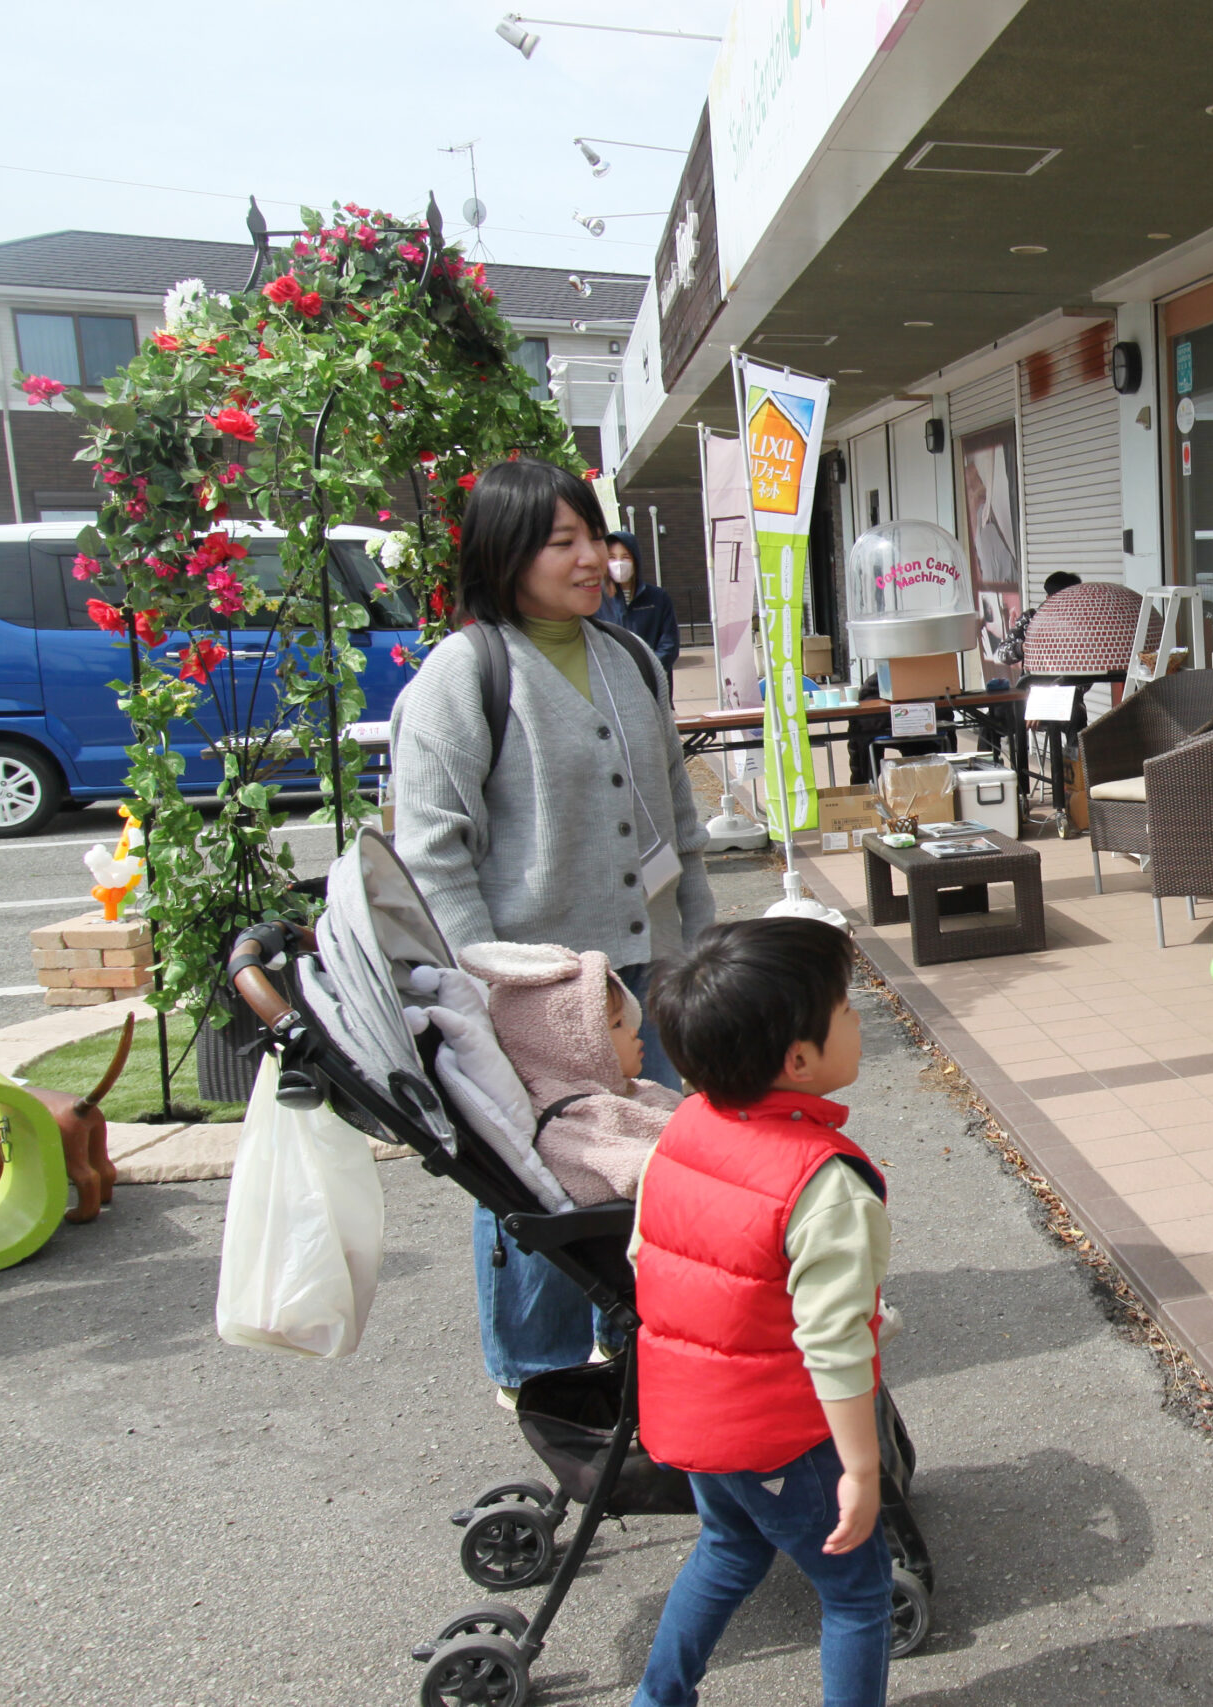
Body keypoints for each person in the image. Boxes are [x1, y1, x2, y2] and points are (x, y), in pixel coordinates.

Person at [390, 456, 714, 1400]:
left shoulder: (631, 657)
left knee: (643, 1153)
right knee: (540, 1176)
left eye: (593, 539)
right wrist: (481, 984)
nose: (592, 560)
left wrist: (696, 946)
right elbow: (432, 852)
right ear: (506, 554)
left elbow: (678, 820)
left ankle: (628, 1329)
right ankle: (535, 1367)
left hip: (645, 968)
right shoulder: (466, 673)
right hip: (530, 989)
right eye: (561, 541)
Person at [631, 917, 893, 1707]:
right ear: (798, 1058)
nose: (858, 1019)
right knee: (856, 1591)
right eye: (847, 1008)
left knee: (727, 1548)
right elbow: (833, 1342)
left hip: (691, 1416)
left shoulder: (683, 1126)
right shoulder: (826, 1185)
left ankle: (658, 1697)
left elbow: (645, 1252)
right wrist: (862, 1466)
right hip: (781, 1433)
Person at [459, 941, 679, 1207]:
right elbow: (634, 1169)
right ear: (572, 1046)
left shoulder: (632, 1090)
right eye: (617, 1024)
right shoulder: (569, 1122)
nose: (633, 1030)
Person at [603, 530, 682, 698]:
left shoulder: (658, 598)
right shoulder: (597, 601)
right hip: (612, 691)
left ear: (635, 560)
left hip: (652, 688)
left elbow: (669, 644)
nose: (619, 563)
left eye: (625, 557)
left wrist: (645, 671)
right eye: (612, 557)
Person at [992, 569, 1081, 667]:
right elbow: (1002, 653)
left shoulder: (1083, 620)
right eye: (1061, 598)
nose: (1066, 604)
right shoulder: (1031, 618)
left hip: (1073, 679)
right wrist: (1022, 648)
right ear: (1049, 598)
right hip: (1037, 679)